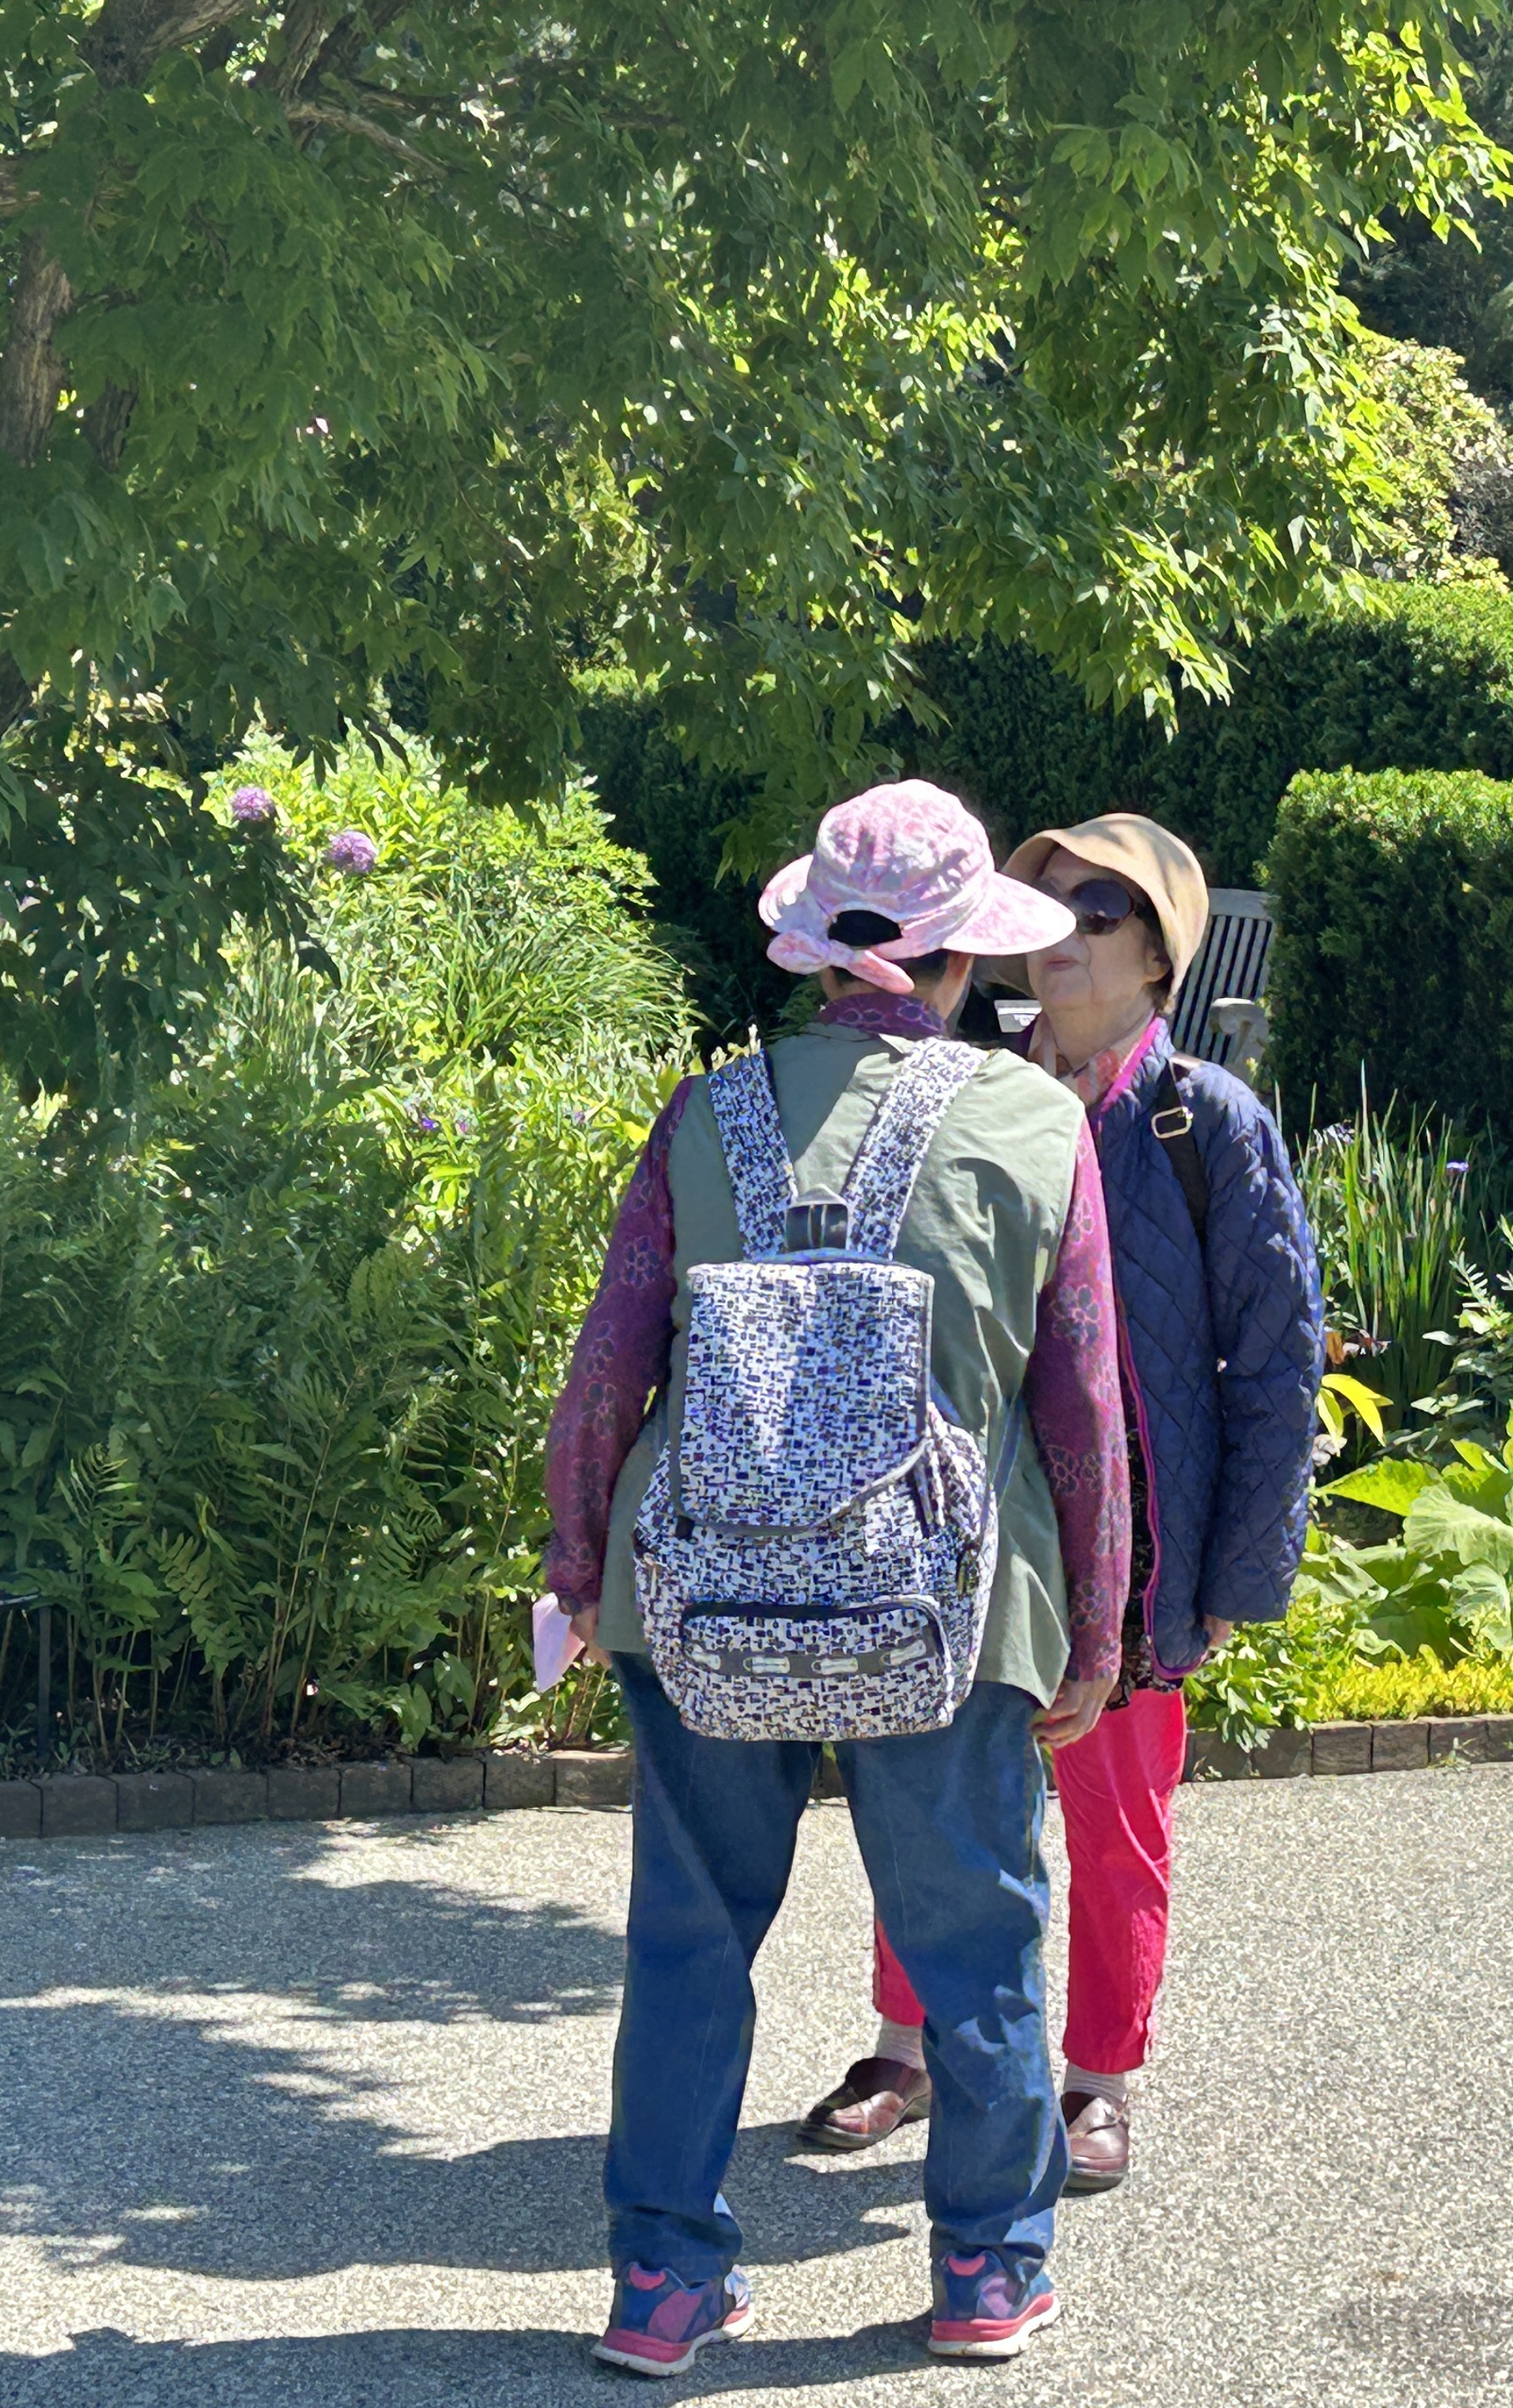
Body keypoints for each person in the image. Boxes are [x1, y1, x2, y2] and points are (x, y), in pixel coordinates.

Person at [541, 780, 1134, 2376]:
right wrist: (1095, 1625)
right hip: (948, 1600)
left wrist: (582, 1564)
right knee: (978, 1941)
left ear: (818, 950)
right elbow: (1083, 1407)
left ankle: (662, 2287)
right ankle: (988, 2272)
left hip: (706, 1596)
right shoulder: (1038, 1127)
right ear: (962, 957)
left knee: (689, 1938)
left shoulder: (703, 1120)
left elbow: (609, 1368)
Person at [800, 813, 1325, 2195]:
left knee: (1115, 1819)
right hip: (966, 1523)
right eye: (1047, 906)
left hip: (1137, 1546)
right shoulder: (961, 1092)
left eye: (1102, 910)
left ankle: (1099, 2082)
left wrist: (1235, 1576)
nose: (1066, 933)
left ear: (1160, 955)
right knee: (927, 1800)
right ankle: (906, 2048)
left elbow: (1279, 1363)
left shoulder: (1206, 1122)